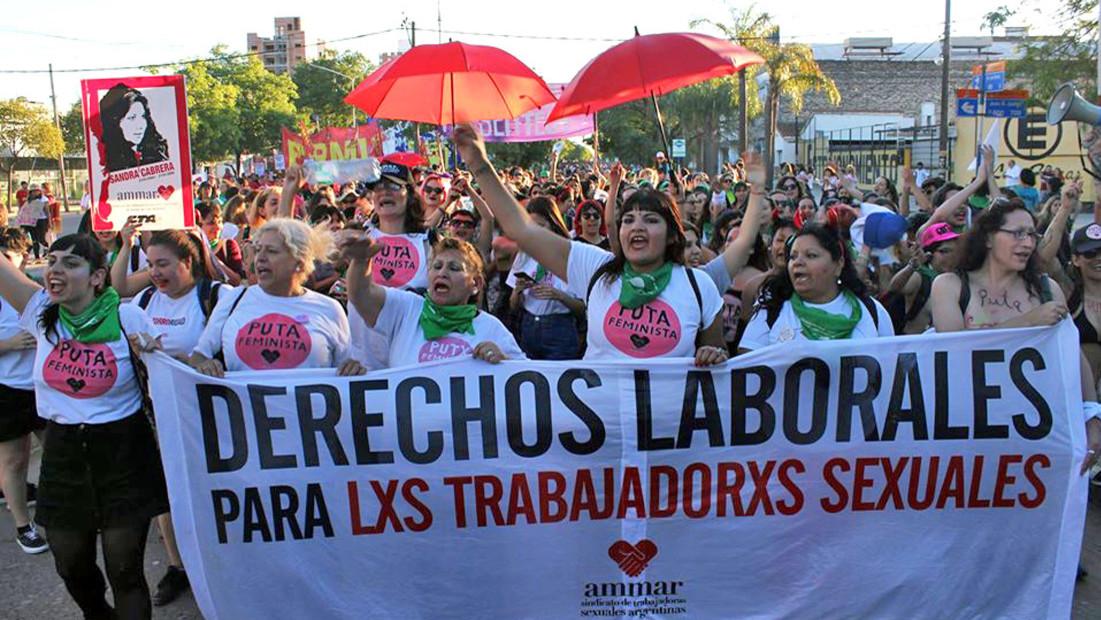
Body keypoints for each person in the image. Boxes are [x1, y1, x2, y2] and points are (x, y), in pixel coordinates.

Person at [453, 124, 727, 365]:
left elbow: (717, 360)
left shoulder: (698, 286)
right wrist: (480, 164)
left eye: (651, 220)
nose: (637, 227)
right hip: (602, 421)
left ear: (672, 235)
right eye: (628, 220)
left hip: (668, 422)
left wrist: (712, 356)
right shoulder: (596, 269)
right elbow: (521, 229)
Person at [0, 233, 167, 619]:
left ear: (97, 277)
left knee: (125, 570)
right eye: (52, 261)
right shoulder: (40, 310)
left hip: (123, 452)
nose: (55, 270)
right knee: (71, 565)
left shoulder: (128, 317)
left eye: (70, 264)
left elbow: (169, 375)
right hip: (63, 453)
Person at [928, 197, 1101, 492]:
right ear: (987, 238)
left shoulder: (1047, 289)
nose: (1028, 243)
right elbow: (953, 350)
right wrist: (1028, 322)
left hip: (1034, 436)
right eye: (1017, 233)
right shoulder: (950, 286)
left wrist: (1091, 416)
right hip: (966, 432)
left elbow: (1071, 353)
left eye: (1032, 234)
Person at [127, 229, 231, 605]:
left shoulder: (218, 297)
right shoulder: (143, 301)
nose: (155, 272)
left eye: (163, 264)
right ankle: (177, 566)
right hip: (160, 412)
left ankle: (220, 560)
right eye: (151, 264)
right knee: (167, 491)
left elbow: (221, 352)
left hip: (211, 414)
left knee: (211, 489)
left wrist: (199, 360)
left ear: (188, 263)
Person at [189, 219, 361, 377]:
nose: (260, 258)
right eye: (258, 250)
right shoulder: (234, 298)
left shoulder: (330, 309)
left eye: (271, 251)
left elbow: (345, 369)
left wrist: (354, 369)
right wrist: (206, 365)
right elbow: (199, 357)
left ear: (299, 262)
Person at [341, 234, 523, 367]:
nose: (442, 273)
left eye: (454, 268)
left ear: (475, 283)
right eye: (437, 266)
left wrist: (503, 362)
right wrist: (361, 261)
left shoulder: (492, 328)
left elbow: (529, 379)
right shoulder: (407, 308)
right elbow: (361, 294)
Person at [740, 222, 894, 351]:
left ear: (838, 265)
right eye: (793, 257)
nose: (798, 262)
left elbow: (892, 367)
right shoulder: (772, 307)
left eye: (811, 255)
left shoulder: (872, 311)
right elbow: (746, 367)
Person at [0, 228, 47, 554]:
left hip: (44, 386)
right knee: (14, 460)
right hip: (8, 389)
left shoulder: (36, 287)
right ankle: (23, 526)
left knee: (61, 454)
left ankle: (74, 511)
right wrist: (10, 344)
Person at [508, 198, 586, 360]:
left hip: (560, 328)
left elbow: (582, 308)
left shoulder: (571, 255)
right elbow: (514, 306)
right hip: (529, 326)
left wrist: (558, 295)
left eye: (541, 226)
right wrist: (518, 291)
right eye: (531, 226)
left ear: (553, 224)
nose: (535, 232)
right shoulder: (524, 253)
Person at [886, 222, 960, 334]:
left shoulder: (960, 278)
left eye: (956, 251)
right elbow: (894, 288)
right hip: (916, 347)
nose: (952, 256)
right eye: (945, 251)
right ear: (929, 254)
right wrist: (912, 266)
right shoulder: (920, 277)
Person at [98, 84, 169, 172]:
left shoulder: (157, 151)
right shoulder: (106, 160)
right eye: (132, 118)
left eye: (143, 116)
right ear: (115, 121)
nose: (140, 125)